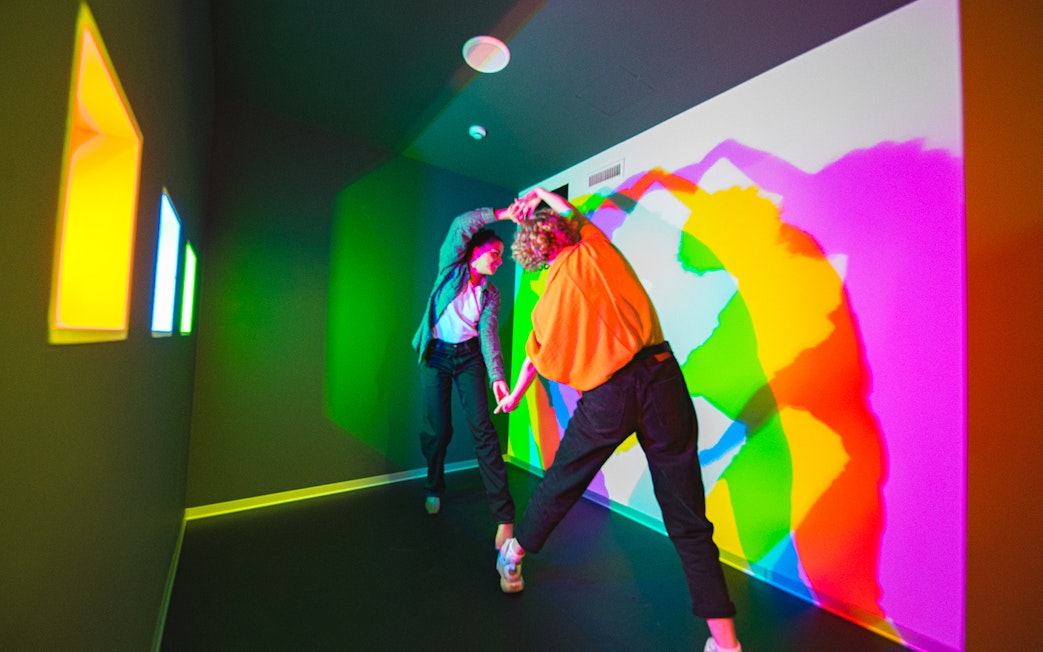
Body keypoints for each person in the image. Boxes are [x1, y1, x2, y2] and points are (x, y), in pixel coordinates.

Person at [494, 187, 742, 652]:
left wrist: (513, 399)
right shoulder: (595, 245)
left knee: (560, 482)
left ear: (535, 261)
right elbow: (572, 211)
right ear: (563, 232)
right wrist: (542, 196)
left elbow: (534, 359)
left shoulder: (548, 306)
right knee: (688, 518)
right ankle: (727, 645)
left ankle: (513, 554)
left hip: (609, 395)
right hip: (662, 377)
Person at [412, 198, 534, 549]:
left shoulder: (490, 294)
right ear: (474, 250)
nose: (499, 259)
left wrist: (497, 376)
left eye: (500, 255)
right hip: (435, 355)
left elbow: (488, 334)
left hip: (468, 359)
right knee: (438, 431)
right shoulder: (451, 267)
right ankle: (433, 486)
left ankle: (504, 518)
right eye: (494, 252)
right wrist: (504, 215)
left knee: (484, 431)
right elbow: (461, 224)